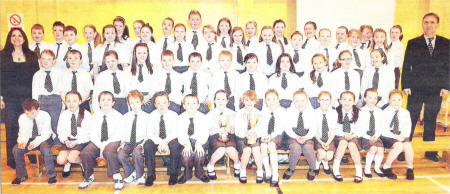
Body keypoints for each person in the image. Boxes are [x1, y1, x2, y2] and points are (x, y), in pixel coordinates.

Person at [401, 12, 449, 162]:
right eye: (426, 22)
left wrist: (447, 86)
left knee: (431, 118)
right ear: (422, 24)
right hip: (416, 87)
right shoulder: (413, 42)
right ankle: (404, 150)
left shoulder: (446, 43)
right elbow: (406, 65)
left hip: (436, 88)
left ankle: (430, 151)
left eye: (432, 22)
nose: (429, 25)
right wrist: (406, 85)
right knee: (411, 118)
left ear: (437, 24)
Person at [1, 28, 40, 169]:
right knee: (11, 128)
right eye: (13, 35)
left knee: (30, 127)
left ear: (24, 38)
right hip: (10, 99)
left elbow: (36, 78)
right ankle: (13, 160)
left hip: (27, 99)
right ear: (9, 38)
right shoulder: (3, 55)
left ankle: (33, 157)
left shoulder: (31, 55)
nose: (16, 38)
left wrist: (35, 99)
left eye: (19, 35)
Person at [11, 99, 56, 185]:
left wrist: (34, 143)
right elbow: (23, 133)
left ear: (38, 109)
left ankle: (51, 175)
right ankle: (21, 176)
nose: (30, 116)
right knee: (16, 150)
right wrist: (23, 142)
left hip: (44, 138)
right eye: (27, 113)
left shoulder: (45, 116)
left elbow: (46, 133)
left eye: (32, 113)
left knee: (45, 148)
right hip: (29, 139)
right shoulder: (22, 118)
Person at [144, 91, 181, 186]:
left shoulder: (174, 115)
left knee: (176, 145)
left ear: (169, 103)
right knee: (147, 145)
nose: (161, 105)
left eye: (164, 102)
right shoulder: (151, 116)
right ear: (155, 104)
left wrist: (165, 141)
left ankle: (173, 174)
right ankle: (151, 175)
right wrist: (160, 142)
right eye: (158, 103)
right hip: (157, 140)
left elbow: (176, 132)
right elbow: (150, 133)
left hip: (169, 139)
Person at [380, 90, 414, 180]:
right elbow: (383, 130)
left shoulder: (405, 112)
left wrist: (403, 136)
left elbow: (408, 127)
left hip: (401, 135)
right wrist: (395, 137)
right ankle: (386, 167)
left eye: (399, 100)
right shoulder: (384, 112)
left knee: (407, 146)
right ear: (389, 101)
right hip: (387, 136)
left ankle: (410, 168)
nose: (396, 102)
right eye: (394, 100)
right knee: (399, 146)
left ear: (402, 101)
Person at [56, 91, 91, 178]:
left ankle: (82, 163)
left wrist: (77, 142)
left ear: (80, 101)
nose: (71, 104)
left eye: (74, 101)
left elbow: (90, 134)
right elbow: (60, 131)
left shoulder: (86, 114)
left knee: (72, 157)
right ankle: (67, 164)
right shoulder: (63, 115)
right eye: (68, 101)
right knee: (60, 160)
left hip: (82, 141)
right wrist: (65, 140)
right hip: (69, 140)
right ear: (65, 102)